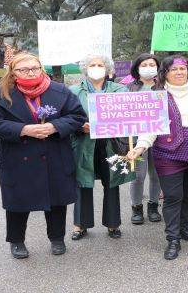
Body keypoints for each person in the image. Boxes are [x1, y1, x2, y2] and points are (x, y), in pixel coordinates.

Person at [0, 54, 86, 259]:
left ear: (41, 69)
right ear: (13, 72)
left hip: (55, 153)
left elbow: (78, 116)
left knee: (56, 200)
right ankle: (16, 241)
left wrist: (55, 126)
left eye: (35, 68)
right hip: (18, 156)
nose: (30, 73)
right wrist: (23, 129)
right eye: (23, 69)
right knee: (17, 201)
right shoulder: (1, 93)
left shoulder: (60, 90)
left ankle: (57, 238)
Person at [127, 55, 188, 260]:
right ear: (165, 73)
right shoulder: (158, 95)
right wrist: (141, 147)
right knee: (172, 197)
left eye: (183, 69)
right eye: (173, 69)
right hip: (168, 153)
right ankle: (172, 239)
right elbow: (150, 127)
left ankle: (183, 228)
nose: (179, 72)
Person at [70, 54, 133, 241]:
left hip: (111, 144)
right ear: (85, 68)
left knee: (112, 182)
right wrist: (79, 125)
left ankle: (113, 224)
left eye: (100, 65)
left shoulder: (121, 90)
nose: (96, 67)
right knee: (82, 183)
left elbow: (129, 116)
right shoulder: (73, 91)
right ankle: (80, 224)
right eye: (92, 64)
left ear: (108, 69)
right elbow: (67, 117)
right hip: (83, 142)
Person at [127, 53, 162, 224]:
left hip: (161, 137)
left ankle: (154, 205)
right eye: (144, 64)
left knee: (156, 175)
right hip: (135, 137)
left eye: (152, 64)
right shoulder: (127, 88)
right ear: (137, 67)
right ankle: (136, 208)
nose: (148, 68)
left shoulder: (164, 86)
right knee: (138, 175)